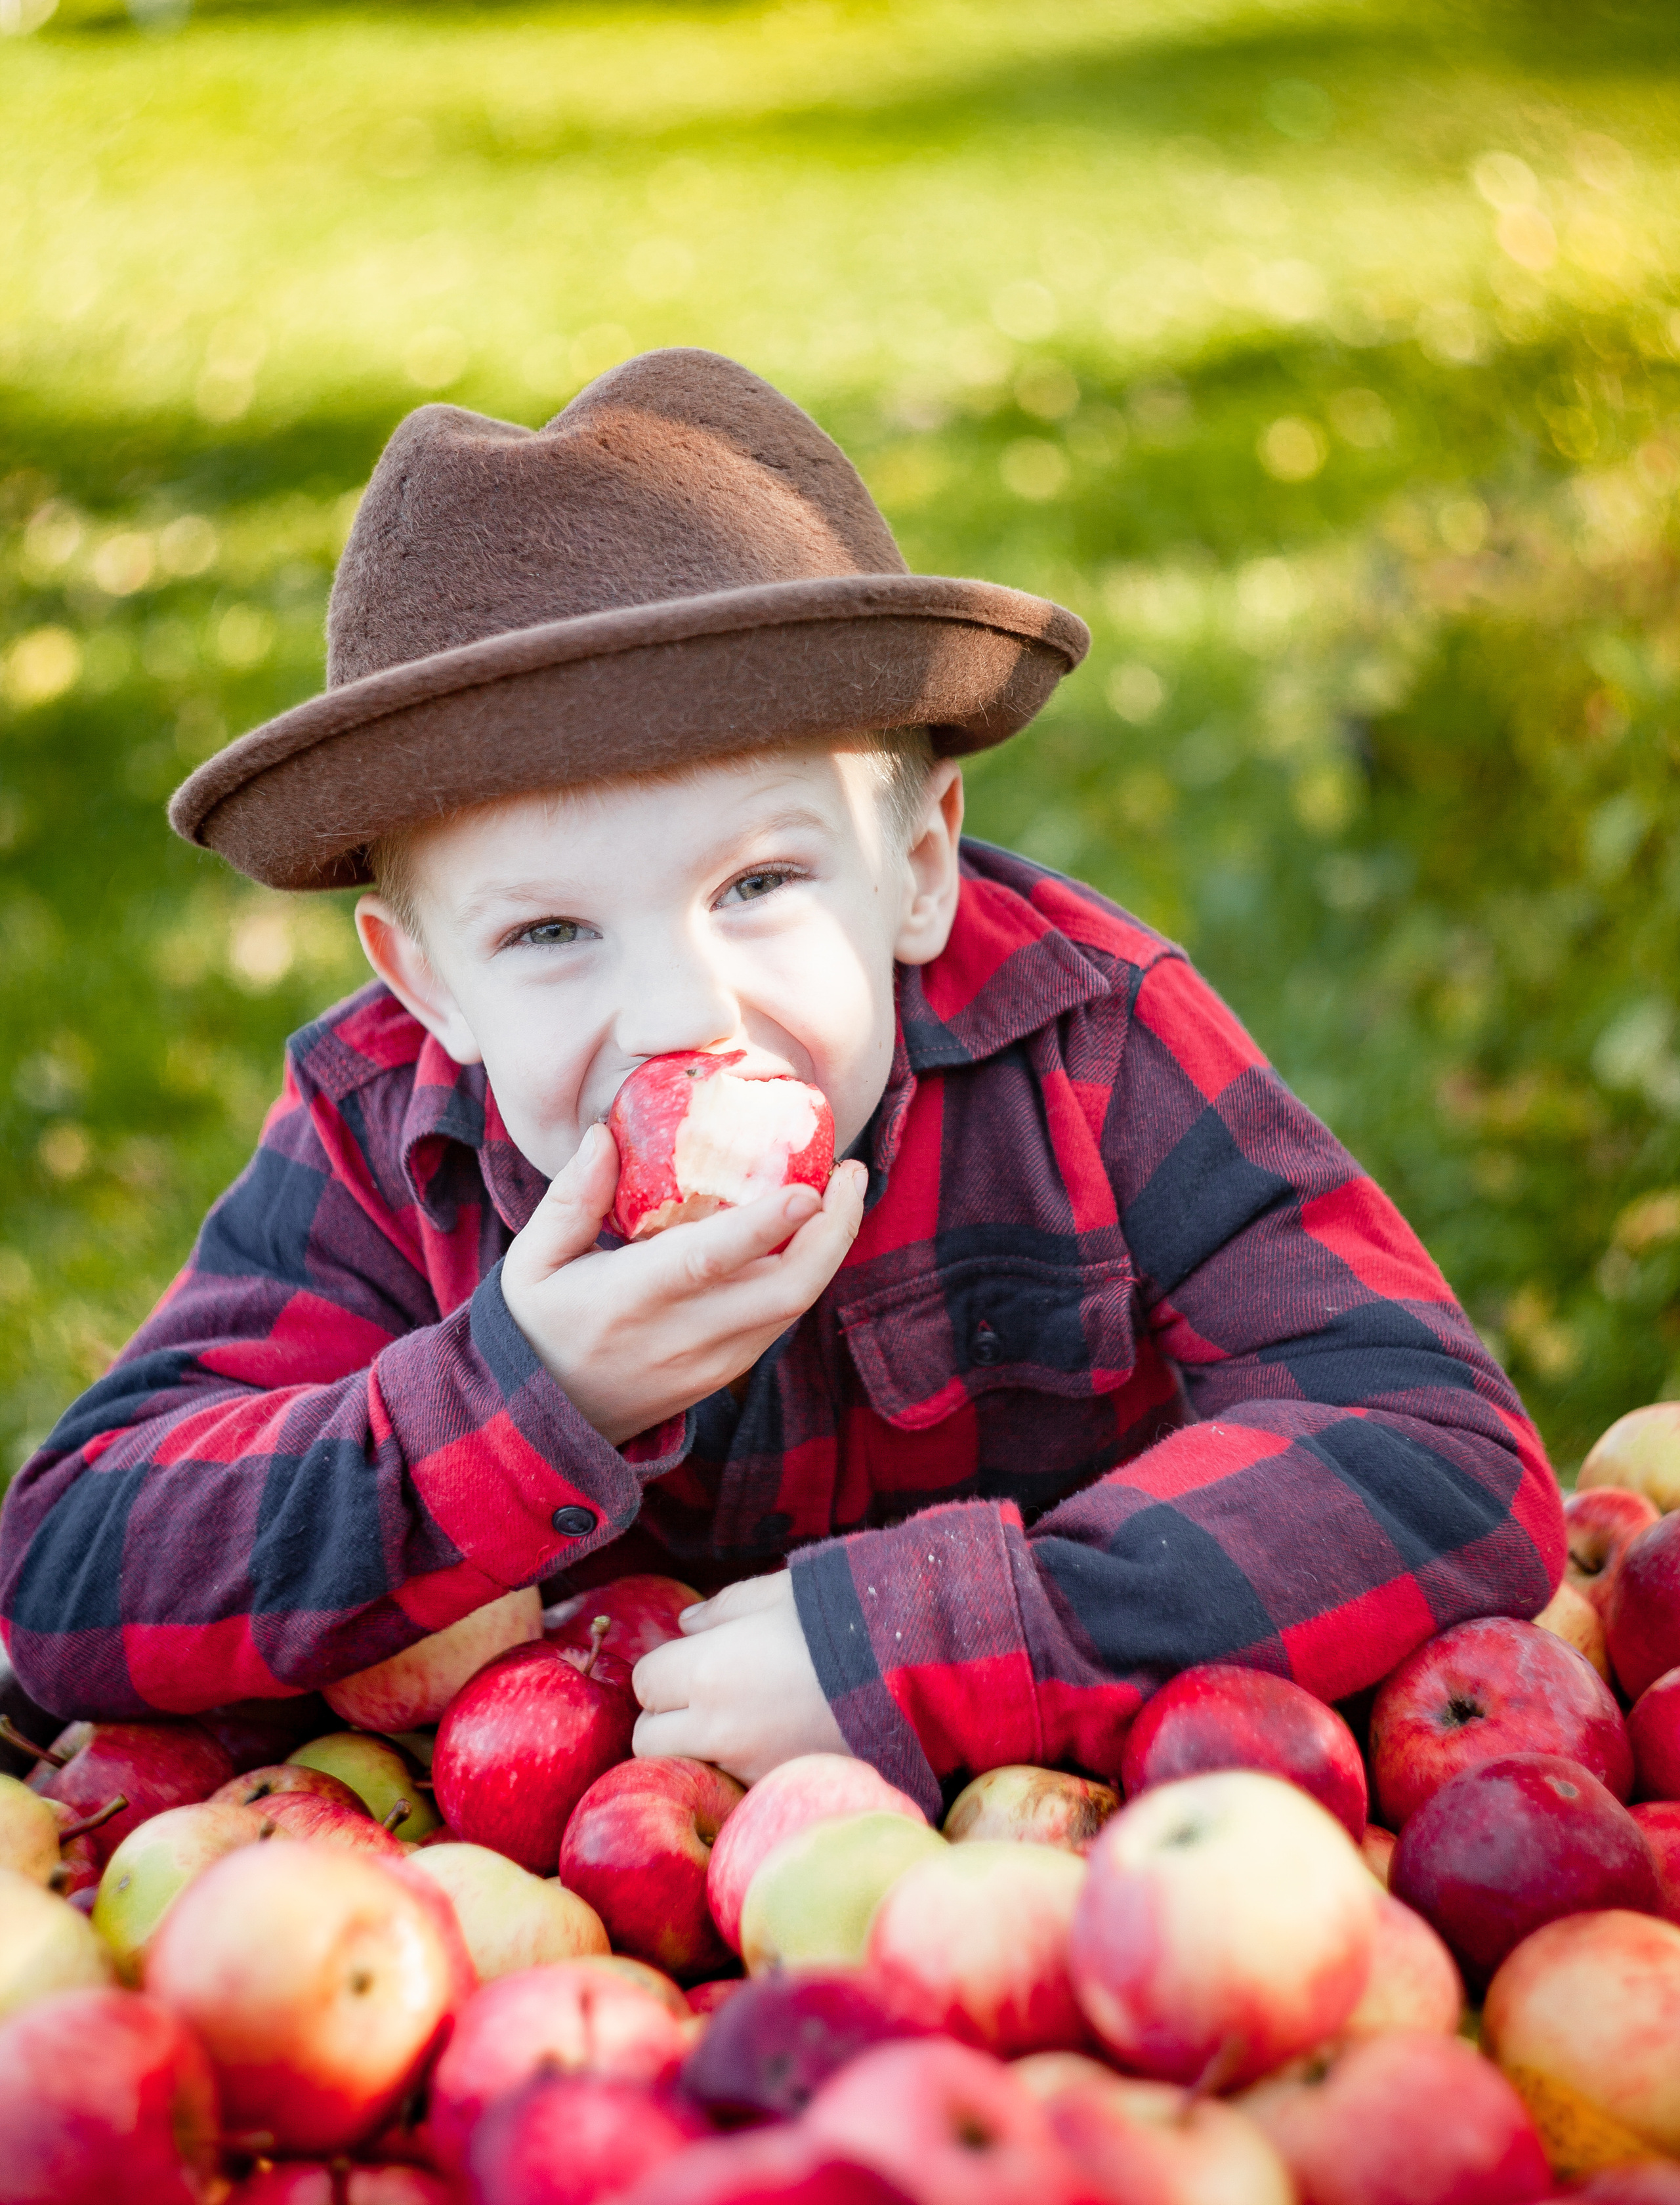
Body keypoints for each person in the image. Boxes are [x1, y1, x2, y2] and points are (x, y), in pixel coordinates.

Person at [0, 350, 1563, 1815]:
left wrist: (937, 1641)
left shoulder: (1080, 1044)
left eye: (758, 883)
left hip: (1071, 1862)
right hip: (542, 1940)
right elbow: (70, 1573)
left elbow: (1438, 1455)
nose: (680, 1011)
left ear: (920, 868)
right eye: (548, 930)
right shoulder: (383, 1128)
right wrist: (520, 1393)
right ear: (427, 987)